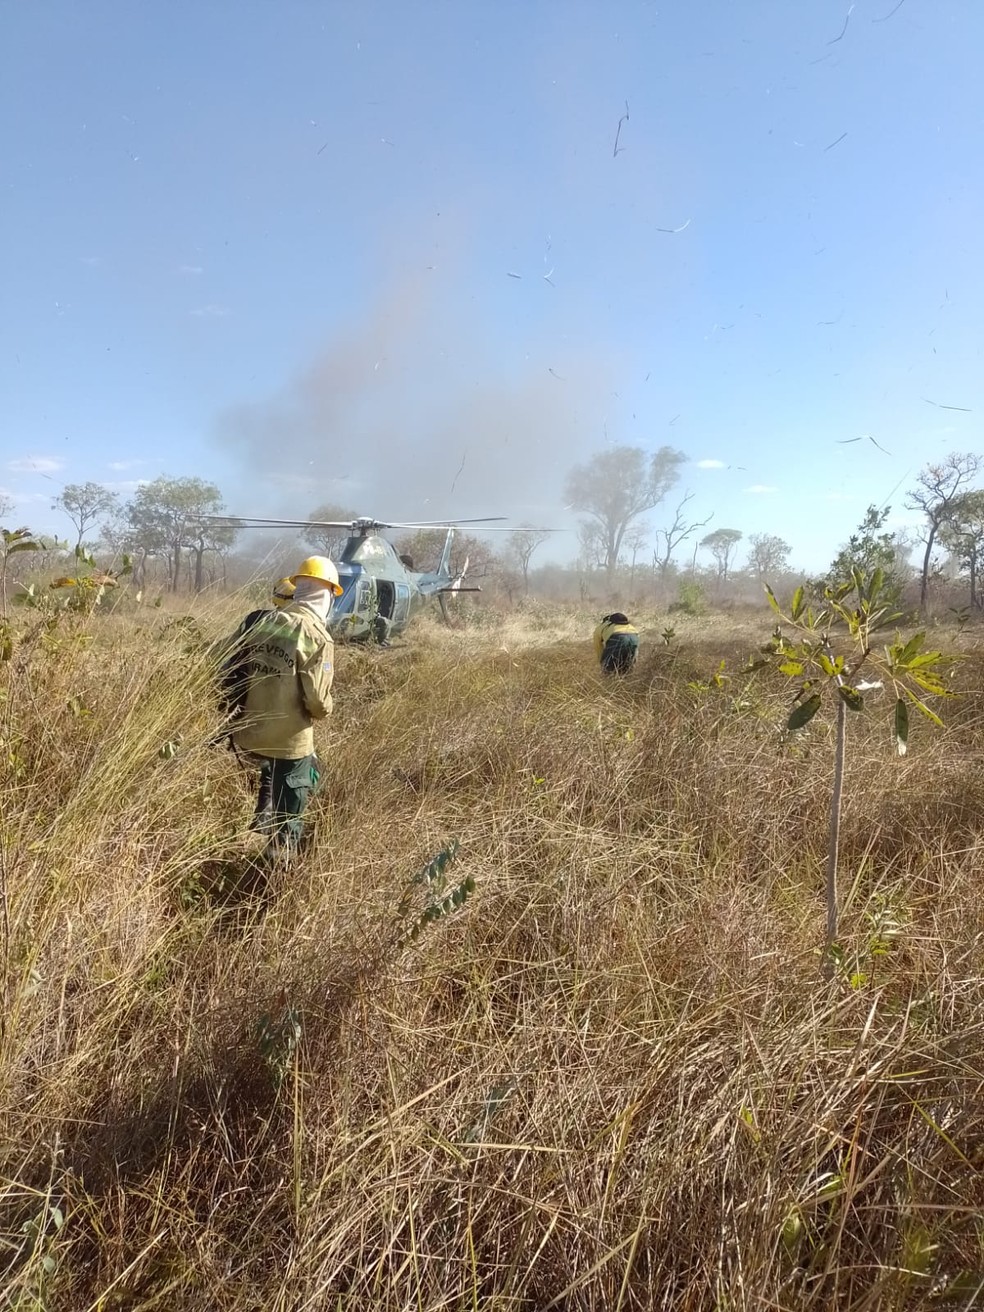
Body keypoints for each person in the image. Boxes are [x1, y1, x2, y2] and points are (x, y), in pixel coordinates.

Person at [228, 557, 343, 863]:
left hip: (251, 733)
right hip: (290, 742)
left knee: (272, 782)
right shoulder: (318, 636)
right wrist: (328, 707)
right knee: (290, 812)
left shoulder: (263, 622)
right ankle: (277, 871)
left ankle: (259, 827)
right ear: (327, 595)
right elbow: (318, 704)